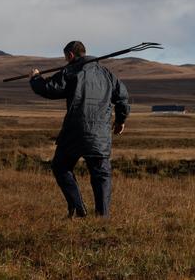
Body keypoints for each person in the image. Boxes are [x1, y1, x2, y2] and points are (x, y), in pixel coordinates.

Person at [29, 41, 130, 218]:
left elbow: (49, 89)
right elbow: (122, 98)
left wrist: (35, 78)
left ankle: (77, 208)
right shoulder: (107, 74)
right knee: (101, 175)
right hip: (100, 134)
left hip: (75, 132)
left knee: (61, 167)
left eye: (65, 57)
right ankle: (102, 218)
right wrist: (121, 121)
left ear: (70, 55)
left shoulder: (70, 71)